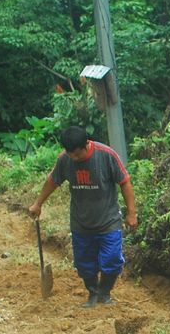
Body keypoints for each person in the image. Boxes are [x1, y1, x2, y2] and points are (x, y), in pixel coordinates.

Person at [27, 126, 137, 307]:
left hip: (108, 220)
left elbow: (125, 182)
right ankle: (93, 293)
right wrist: (38, 203)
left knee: (111, 259)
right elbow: (52, 181)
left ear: (86, 144)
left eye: (77, 155)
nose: (74, 159)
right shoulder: (65, 160)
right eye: (70, 155)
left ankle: (104, 292)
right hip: (81, 222)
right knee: (84, 262)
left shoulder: (106, 155)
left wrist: (132, 213)